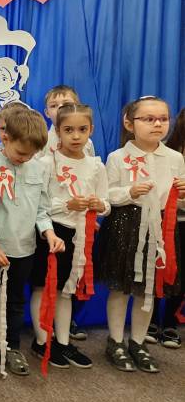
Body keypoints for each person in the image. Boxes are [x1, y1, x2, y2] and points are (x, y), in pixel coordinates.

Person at [94, 96, 184, 373]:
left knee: (149, 289)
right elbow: (107, 195)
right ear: (129, 123)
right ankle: (115, 341)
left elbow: (178, 202)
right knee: (121, 288)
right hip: (126, 225)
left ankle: (138, 342)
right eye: (149, 119)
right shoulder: (118, 157)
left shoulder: (175, 158)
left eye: (163, 119)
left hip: (161, 228)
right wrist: (129, 192)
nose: (157, 124)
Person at [0, 109, 64, 376]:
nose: (25, 158)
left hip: (25, 248)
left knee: (15, 301)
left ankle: (12, 346)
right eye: (21, 153)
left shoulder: (39, 168)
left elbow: (42, 209)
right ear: (6, 138)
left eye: (31, 154)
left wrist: (49, 233)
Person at [29, 103, 107, 370]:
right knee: (43, 286)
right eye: (69, 130)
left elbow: (106, 202)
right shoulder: (46, 163)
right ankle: (42, 341)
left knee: (66, 290)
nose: (76, 136)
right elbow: (38, 203)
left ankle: (62, 342)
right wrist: (67, 205)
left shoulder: (96, 165)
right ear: (57, 131)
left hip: (81, 235)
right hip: (52, 231)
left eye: (82, 130)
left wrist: (98, 204)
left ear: (91, 130)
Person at [147, 107, 185, 349]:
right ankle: (150, 320)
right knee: (156, 268)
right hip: (166, 221)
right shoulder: (169, 153)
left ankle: (170, 321)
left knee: (181, 274)